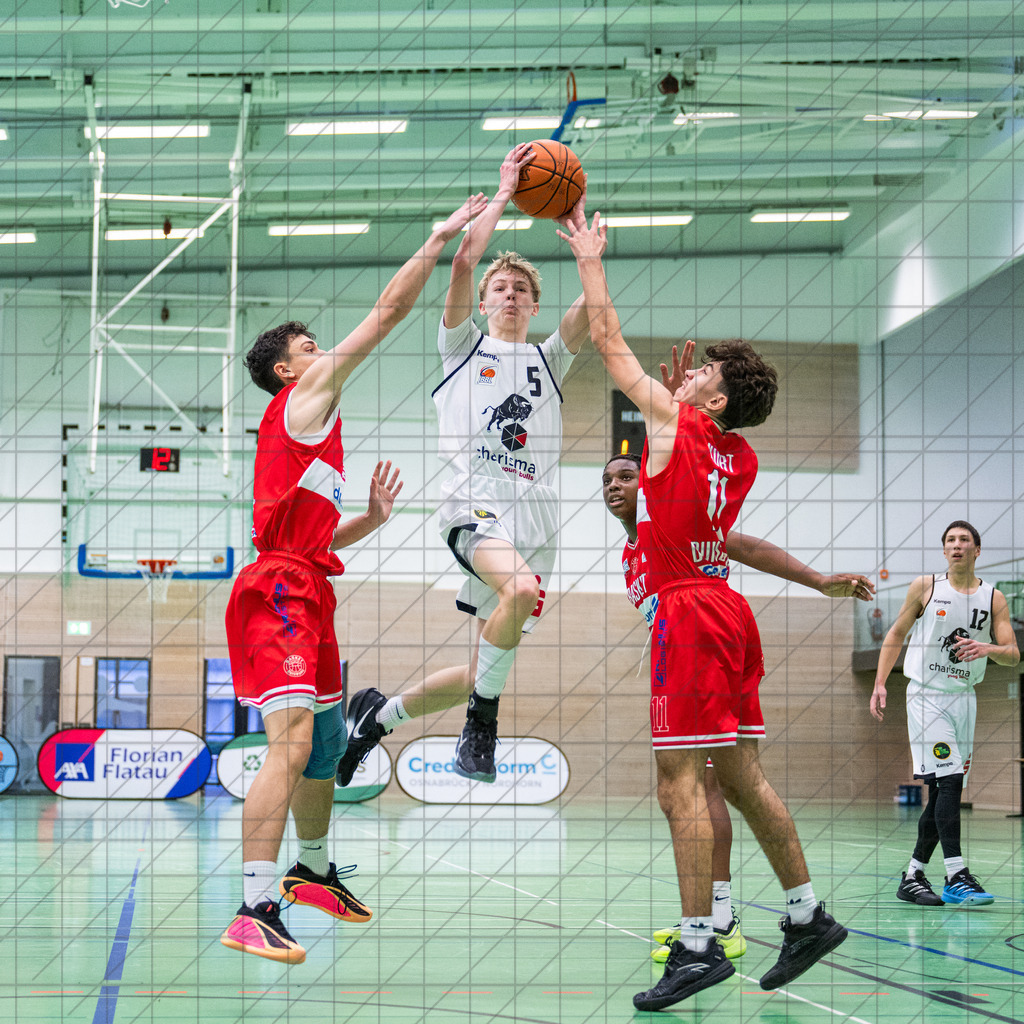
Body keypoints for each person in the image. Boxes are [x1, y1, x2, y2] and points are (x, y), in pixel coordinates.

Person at [562, 212, 849, 1011]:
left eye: (702, 372)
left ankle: (698, 945)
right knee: (739, 775)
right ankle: (805, 914)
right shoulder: (738, 451)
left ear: (715, 392)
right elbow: (709, 519)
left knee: (679, 781)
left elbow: (612, 345)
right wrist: (687, 400)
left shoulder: (678, 425)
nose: (687, 374)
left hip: (690, 615)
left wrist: (590, 261)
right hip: (727, 606)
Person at [219, 194, 488, 964]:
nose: (323, 349)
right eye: (309, 345)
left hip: (307, 583)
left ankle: (311, 871)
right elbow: (389, 310)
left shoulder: (312, 434)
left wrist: (366, 520)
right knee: (292, 744)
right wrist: (437, 240)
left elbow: (305, 535)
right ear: (286, 369)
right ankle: (253, 903)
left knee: (328, 750)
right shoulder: (304, 397)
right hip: (279, 593)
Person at [337, 143, 590, 787]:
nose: (509, 295)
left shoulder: (550, 361)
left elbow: (592, 316)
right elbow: (464, 260)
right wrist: (505, 193)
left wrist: (588, 257)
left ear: (534, 306)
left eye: (522, 289)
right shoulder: (461, 346)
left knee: (484, 658)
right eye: (499, 289)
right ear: (483, 304)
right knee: (518, 600)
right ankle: (481, 726)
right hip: (473, 505)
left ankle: (376, 717)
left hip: (537, 520)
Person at [603, 451, 874, 964]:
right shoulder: (635, 547)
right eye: (607, 480)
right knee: (726, 783)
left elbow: (744, 544)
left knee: (702, 789)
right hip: (698, 647)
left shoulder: (668, 513)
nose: (614, 486)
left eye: (625, 476)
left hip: (701, 647)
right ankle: (784, 916)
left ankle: (720, 925)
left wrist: (817, 580)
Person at [869, 520, 1019, 906]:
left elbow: (1013, 653)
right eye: (950, 540)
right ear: (944, 550)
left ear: (977, 550)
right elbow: (896, 634)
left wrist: (989, 650)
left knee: (942, 790)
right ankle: (956, 874)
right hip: (926, 696)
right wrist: (881, 683)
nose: (957, 546)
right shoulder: (927, 587)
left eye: (964, 540)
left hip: (963, 697)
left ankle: (913, 875)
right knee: (950, 780)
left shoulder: (993, 598)